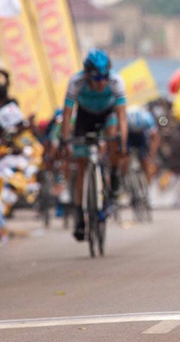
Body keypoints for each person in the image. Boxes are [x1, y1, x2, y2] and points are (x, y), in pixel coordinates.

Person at [59, 49, 128, 241]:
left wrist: (122, 143)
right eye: (96, 78)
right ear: (87, 75)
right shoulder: (76, 82)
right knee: (81, 164)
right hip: (85, 116)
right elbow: (67, 115)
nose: (101, 83)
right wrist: (65, 140)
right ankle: (79, 216)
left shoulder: (116, 81)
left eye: (104, 77)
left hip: (108, 114)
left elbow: (122, 117)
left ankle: (114, 176)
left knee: (114, 138)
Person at [126, 105, 161, 188]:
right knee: (124, 157)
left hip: (141, 136)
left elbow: (155, 137)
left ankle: (147, 186)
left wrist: (152, 152)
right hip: (128, 134)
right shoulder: (126, 119)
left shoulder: (147, 118)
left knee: (145, 161)